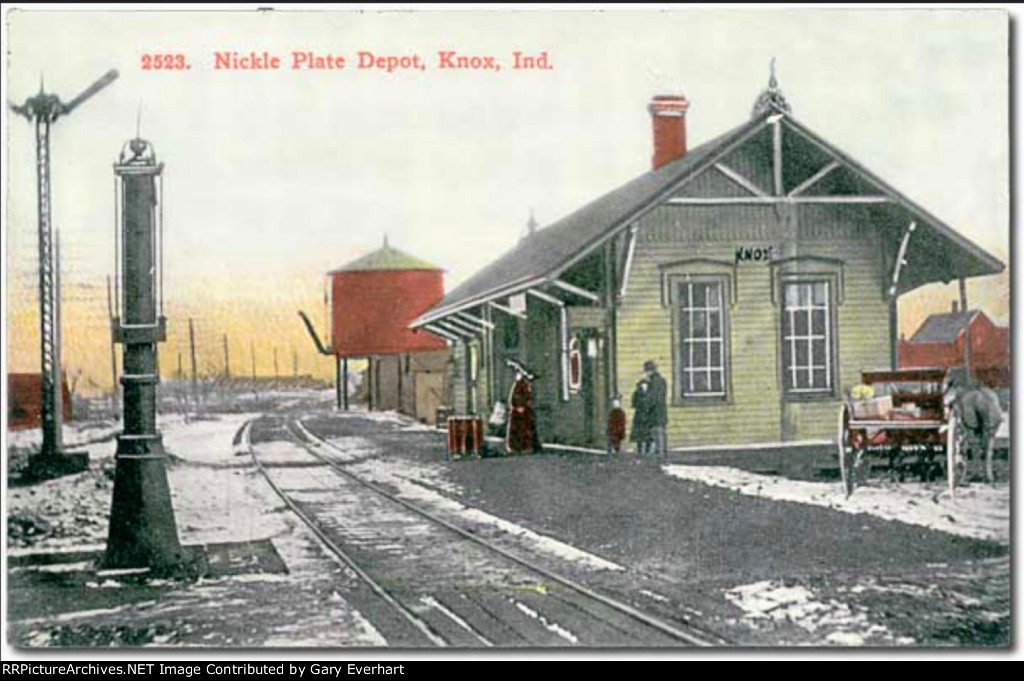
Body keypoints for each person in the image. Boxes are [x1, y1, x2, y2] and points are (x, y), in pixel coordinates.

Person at [506, 361, 540, 455]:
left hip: (526, 410)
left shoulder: (527, 385)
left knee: (528, 429)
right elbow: (514, 398)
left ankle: (529, 446)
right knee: (519, 430)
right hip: (519, 411)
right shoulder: (519, 385)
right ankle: (518, 447)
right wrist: (519, 406)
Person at [644, 360, 669, 461]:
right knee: (660, 433)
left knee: (657, 433)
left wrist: (646, 405)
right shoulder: (661, 380)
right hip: (661, 411)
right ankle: (661, 454)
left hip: (655, 412)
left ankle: (660, 455)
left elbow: (652, 398)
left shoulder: (653, 382)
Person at [630, 379, 651, 456]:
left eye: (645, 385)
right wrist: (641, 404)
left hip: (648, 416)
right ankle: (639, 451)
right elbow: (633, 404)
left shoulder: (650, 393)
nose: (644, 386)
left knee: (648, 434)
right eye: (643, 385)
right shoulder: (636, 393)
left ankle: (647, 451)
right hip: (639, 416)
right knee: (639, 435)